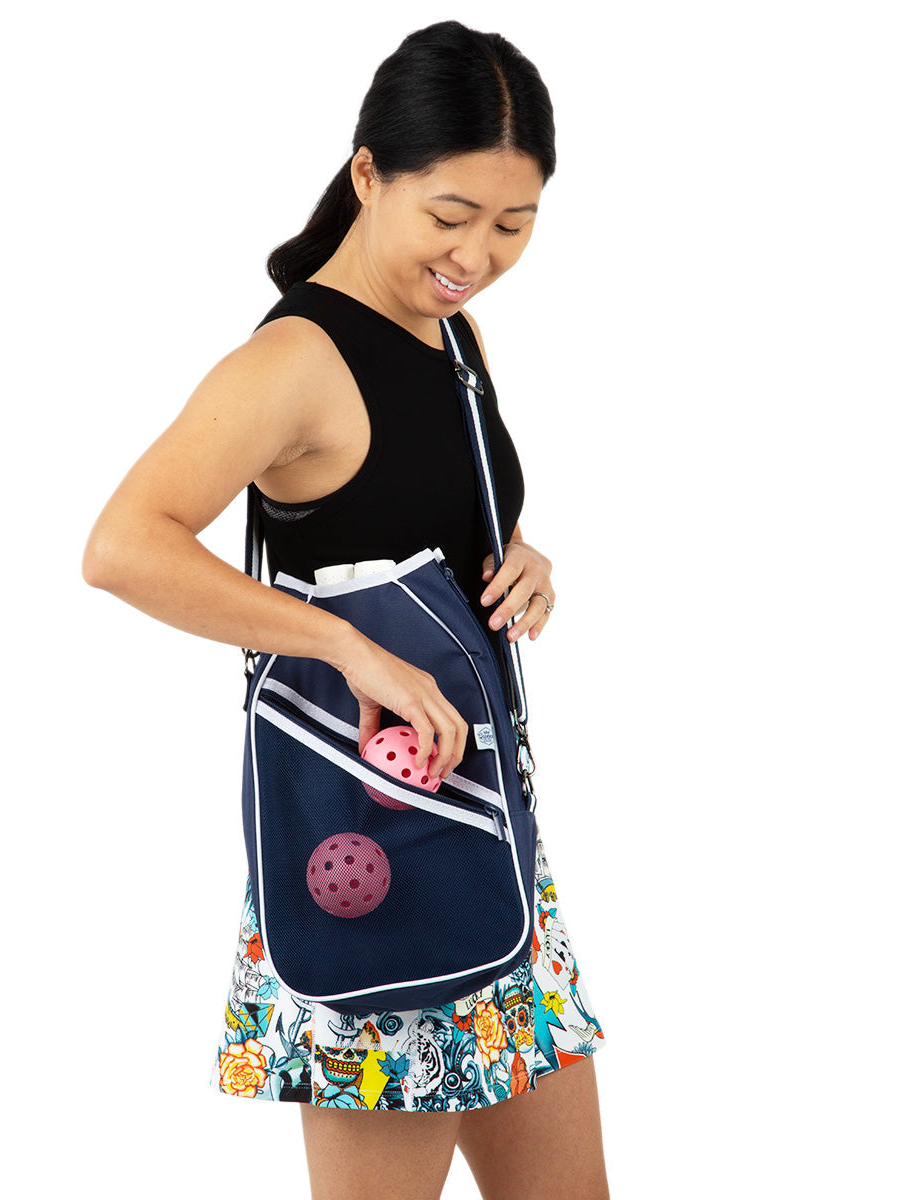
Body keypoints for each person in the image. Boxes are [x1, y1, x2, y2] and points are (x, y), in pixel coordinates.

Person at [83, 19, 610, 1200]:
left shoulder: (453, 333)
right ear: (368, 172)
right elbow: (122, 547)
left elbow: (415, 529)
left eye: (514, 225)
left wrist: (522, 561)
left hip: (488, 837)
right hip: (375, 851)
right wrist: (341, 645)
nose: (478, 254)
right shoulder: (293, 363)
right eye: (451, 215)